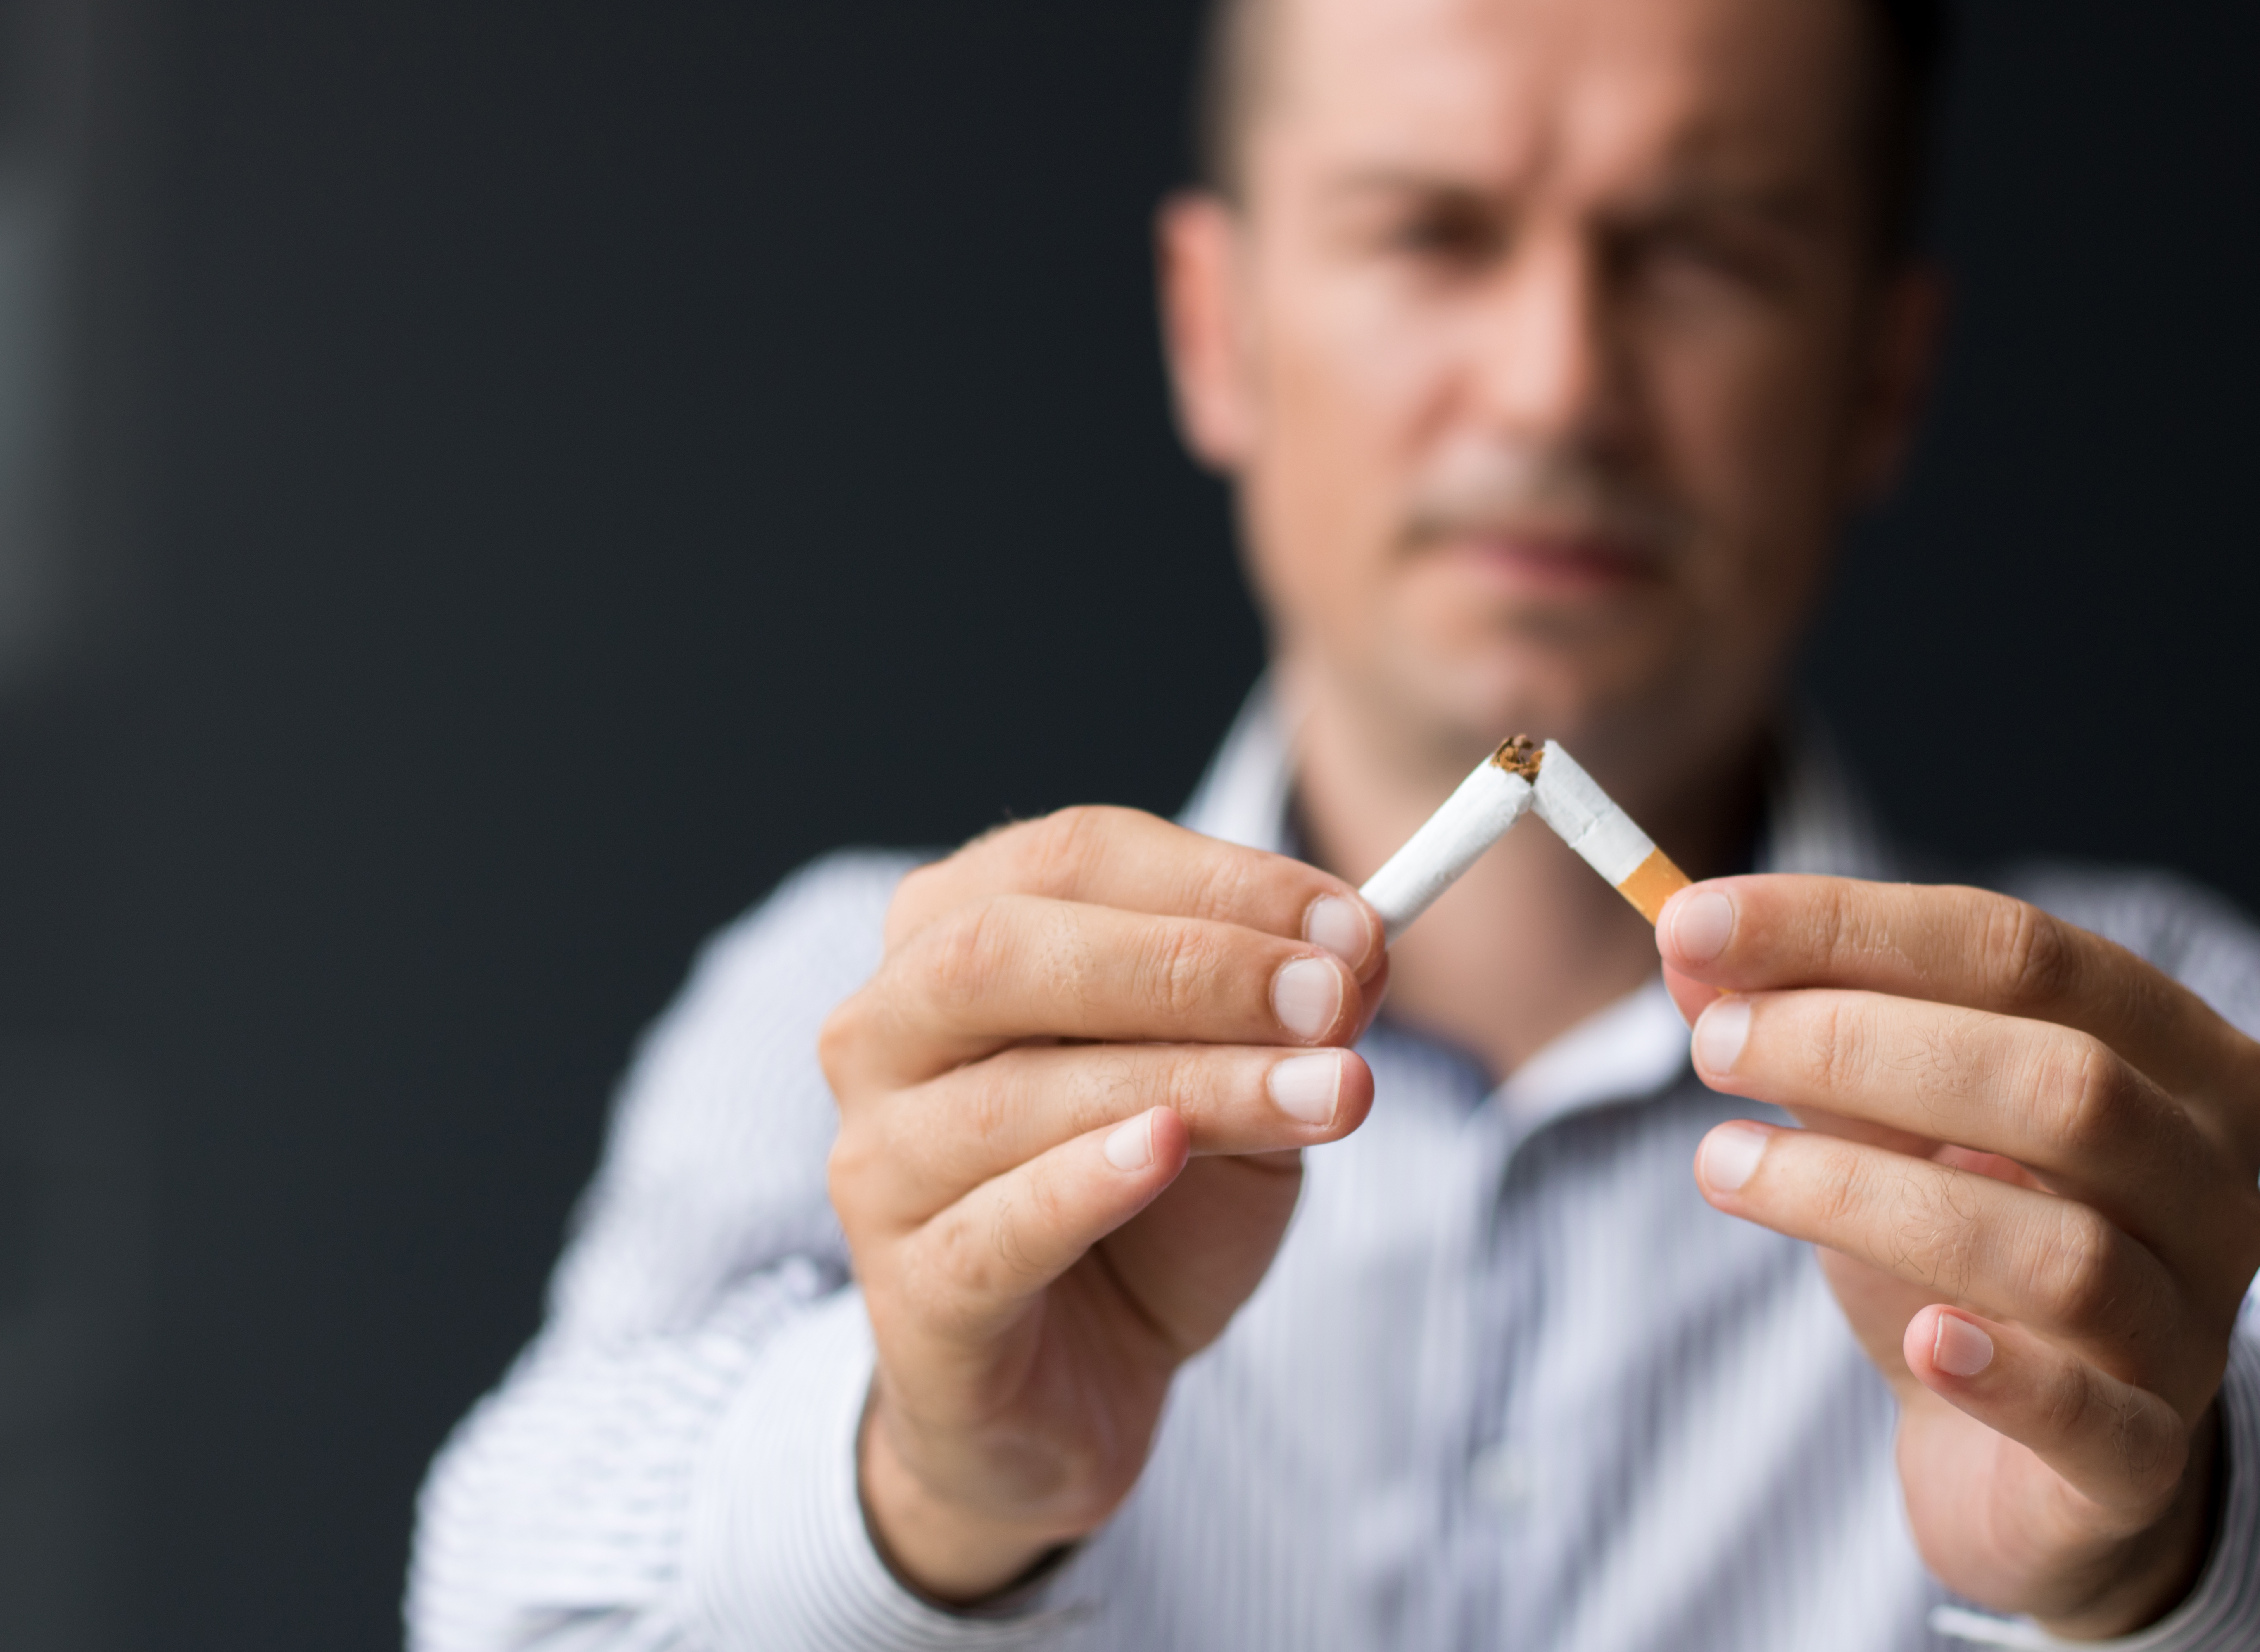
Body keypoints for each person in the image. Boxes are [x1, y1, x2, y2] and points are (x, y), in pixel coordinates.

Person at [405, 0, 2260, 1645]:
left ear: (1881, 376)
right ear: (1217, 328)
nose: (1557, 387)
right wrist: (919, 1487)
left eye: (1702, 251)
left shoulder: (2160, 1066)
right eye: (1430, 234)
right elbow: (506, 1601)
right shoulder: (873, 1004)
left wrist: (2159, 1565)